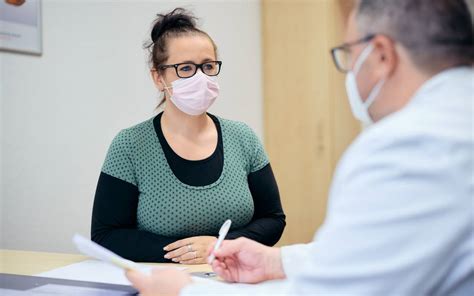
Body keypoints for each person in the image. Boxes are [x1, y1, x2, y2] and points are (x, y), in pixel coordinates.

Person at [125, 0, 474, 294]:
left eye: (349, 54)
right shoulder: (455, 124)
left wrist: (186, 290)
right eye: (185, 68)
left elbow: (333, 288)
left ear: (381, 55)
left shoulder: (407, 146)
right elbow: (375, 250)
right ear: (159, 76)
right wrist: (278, 261)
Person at [91, 8, 286, 264]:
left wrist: (219, 246)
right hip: (163, 284)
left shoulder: (243, 137)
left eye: (208, 66)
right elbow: (105, 236)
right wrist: (190, 253)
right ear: (158, 77)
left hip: (235, 281)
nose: (200, 77)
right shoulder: (130, 145)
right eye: (185, 68)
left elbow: (273, 219)